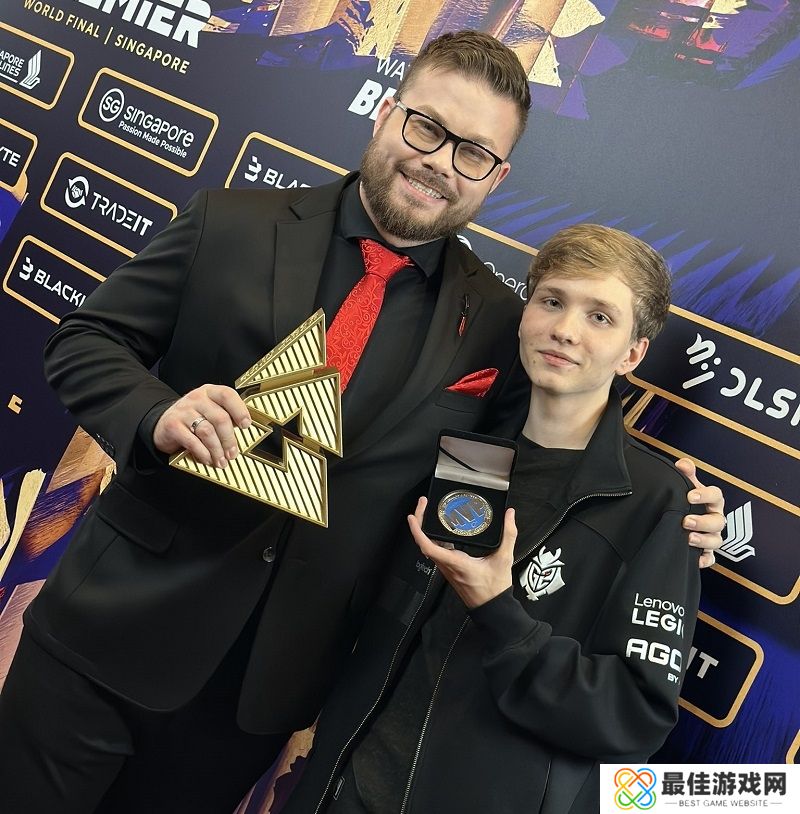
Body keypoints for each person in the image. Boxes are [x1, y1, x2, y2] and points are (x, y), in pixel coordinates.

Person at [0, 33, 722, 814]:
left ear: (496, 175)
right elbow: (85, 342)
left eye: (473, 152)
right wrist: (156, 412)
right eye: (428, 128)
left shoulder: (497, 324)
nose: (441, 163)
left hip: (258, 700)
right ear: (385, 113)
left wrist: (661, 504)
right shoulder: (232, 222)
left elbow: (544, 450)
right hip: (104, 636)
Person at [282, 225, 704, 814]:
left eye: (600, 317)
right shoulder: (460, 444)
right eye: (551, 301)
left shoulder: (658, 504)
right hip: (340, 788)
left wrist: (499, 611)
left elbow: (632, 718)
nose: (565, 329)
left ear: (632, 354)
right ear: (525, 314)